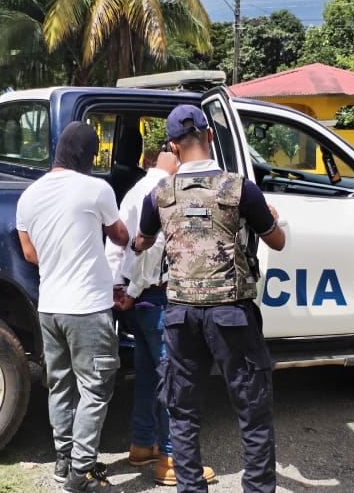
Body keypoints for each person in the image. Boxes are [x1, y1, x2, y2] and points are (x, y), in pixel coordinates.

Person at [134, 104, 287, 493]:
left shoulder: (159, 194)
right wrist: (269, 216)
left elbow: (141, 243)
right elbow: (277, 241)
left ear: (173, 146)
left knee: (183, 413)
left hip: (181, 316)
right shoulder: (240, 188)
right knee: (253, 411)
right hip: (232, 314)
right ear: (211, 136)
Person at [17, 121, 129, 493]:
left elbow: (29, 253)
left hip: (49, 307)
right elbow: (120, 235)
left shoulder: (29, 196)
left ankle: (64, 460)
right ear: (88, 155)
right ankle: (81, 474)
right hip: (87, 308)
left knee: (60, 387)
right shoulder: (96, 189)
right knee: (95, 390)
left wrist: (60, 258)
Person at [106, 142, 218, 487]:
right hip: (157, 296)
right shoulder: (165, 191)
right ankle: (172, 460)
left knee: (147, 376)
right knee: (174, 380)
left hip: (137, 301)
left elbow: (117, 246)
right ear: (172, 158)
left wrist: (120, 287)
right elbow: (152, 248)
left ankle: (142, 444)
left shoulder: (134, 191)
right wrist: (134, 290)